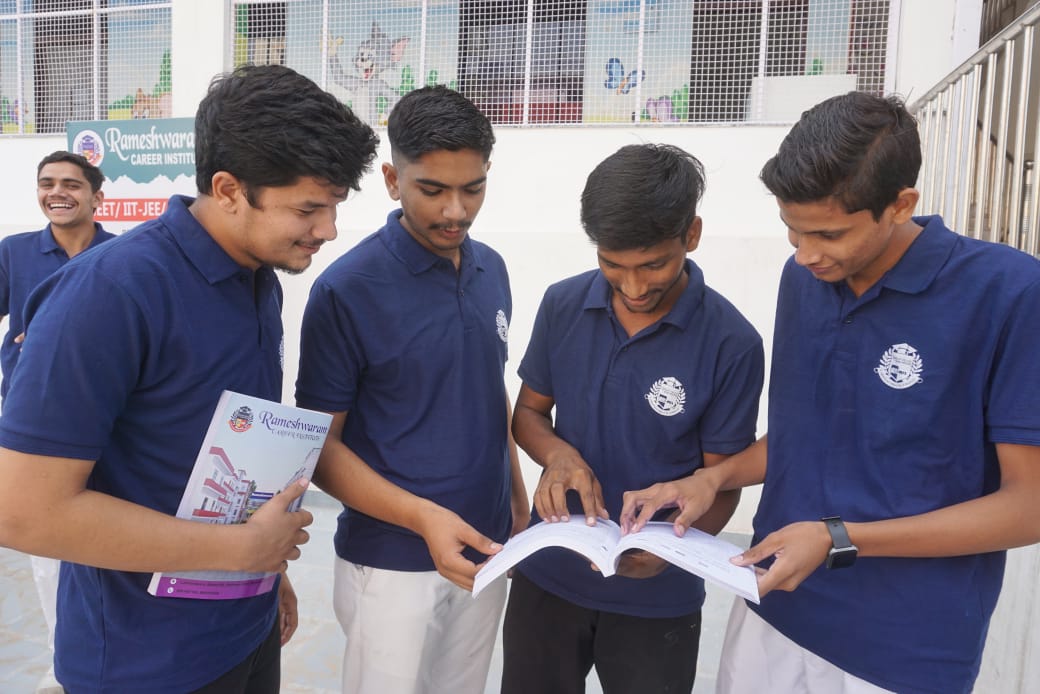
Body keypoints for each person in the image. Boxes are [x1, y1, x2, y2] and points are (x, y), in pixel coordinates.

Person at [620, 92, 1040, 694]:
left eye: (828, 234)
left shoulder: (1010, 293)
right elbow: (809, 431)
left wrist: (838, 539)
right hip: (772, 604)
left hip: (903, 648)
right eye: (792, 232)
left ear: (901, 205)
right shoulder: (806, 279)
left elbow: (1027, 506)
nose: (806, 254)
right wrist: (712, 479)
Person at [0, 63, 379, 693]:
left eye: (334, 206)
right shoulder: (109, 294)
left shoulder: (256, 276)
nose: (328, 230)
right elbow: (23, 513)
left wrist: (266, 572)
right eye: (309, 208)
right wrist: (242, 552)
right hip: (142, 664)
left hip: (243, 626)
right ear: (228, 189)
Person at [500, 143, 764, 694]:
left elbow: (722, 483)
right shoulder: (563, 305)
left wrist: (669, 551)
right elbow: (528, 413)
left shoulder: (731, 342)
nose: (634, 287)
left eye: (653, 265)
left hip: (657, 600)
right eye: (612, 265)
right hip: (548, 574)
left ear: (691, 235)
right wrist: (558, 455)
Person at [295, 84, 528, 694]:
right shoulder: (347, 289)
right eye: (433, 190)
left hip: (487, 547)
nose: (456, 210)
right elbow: (319, 448)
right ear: (393, 180)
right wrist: (424, 518)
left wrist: (517, 503)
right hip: (390, 563)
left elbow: (489, 389)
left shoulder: (492, 268)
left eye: (473, 188)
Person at [0, 150, 115, 692]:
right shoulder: (15, 252)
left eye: (71, 183)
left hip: (110, 421)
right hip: (36, 423)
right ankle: (61, 658)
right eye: (47, 183)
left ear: (97, 196)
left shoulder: (123, 254)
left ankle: (108, 647)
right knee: (48, 553)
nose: (57, 192)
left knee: (106, 539)